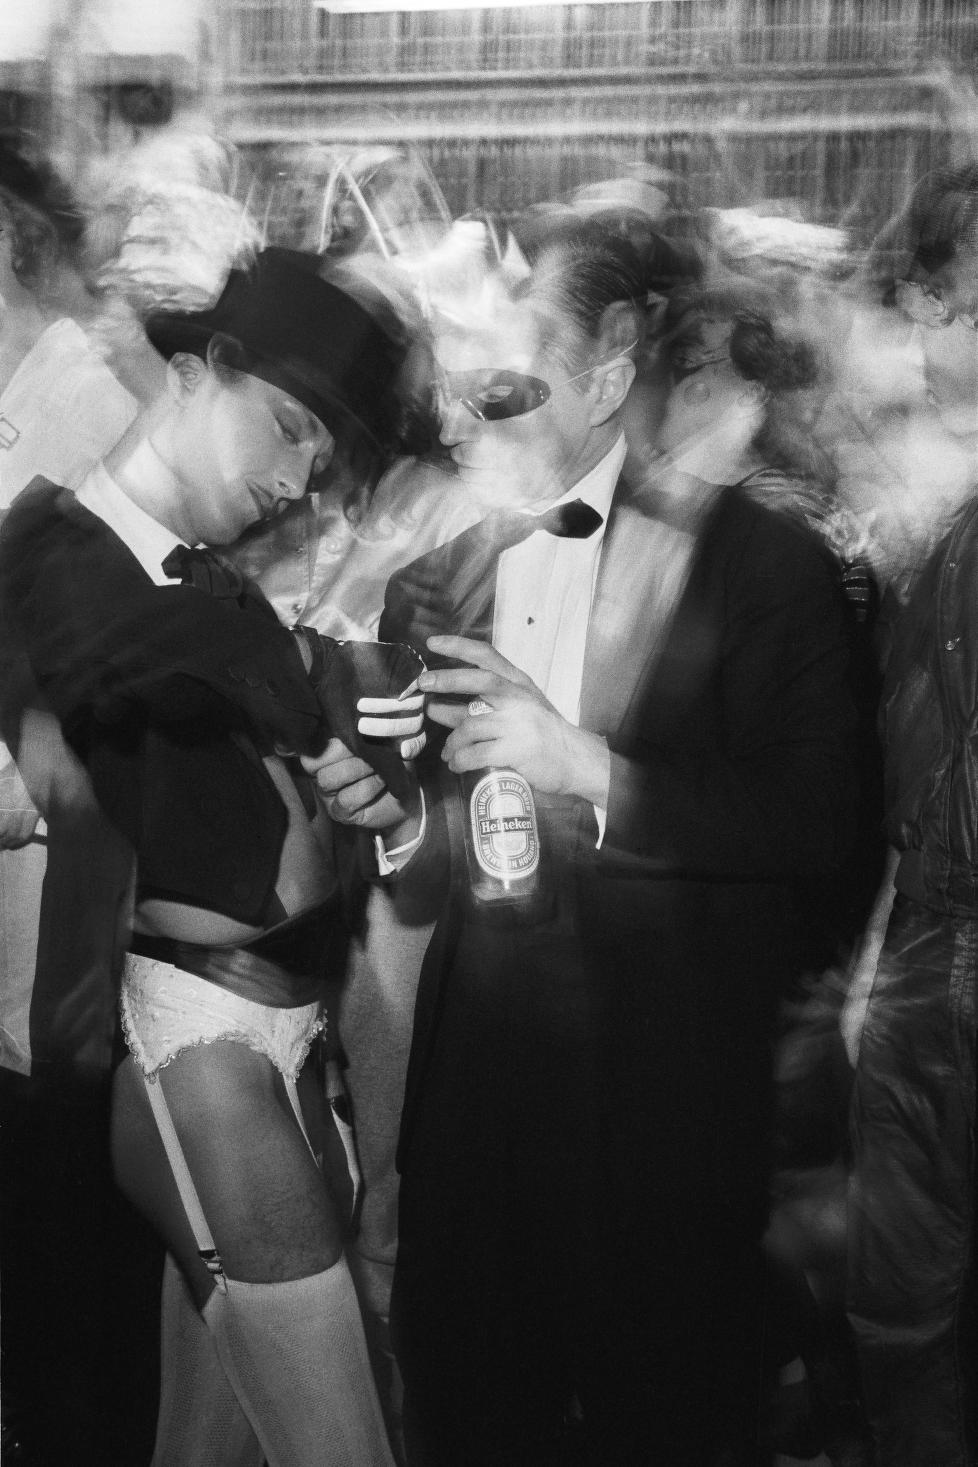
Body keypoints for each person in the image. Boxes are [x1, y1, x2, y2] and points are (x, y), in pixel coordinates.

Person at [369, 230, 856, 1466]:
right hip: (479, 1129)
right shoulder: (428, 586)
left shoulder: (765, 567)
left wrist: (587, 765)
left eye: (504, 384)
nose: (465, 419)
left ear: (605, 378)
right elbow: (428, 867)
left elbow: (818, 820)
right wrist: (386, 816)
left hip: (670, 1129)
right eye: (455, 387)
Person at [0, 247, 425, 1467]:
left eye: (321, 460)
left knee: (214, 1442)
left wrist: (371, 794)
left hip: (293, 1035)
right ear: (194, 374)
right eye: (287, 428)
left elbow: (301, 818)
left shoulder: (223, 591)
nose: (297, 481)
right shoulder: (38, 561)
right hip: (169, 1048)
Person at [845, 165, 978, 1467]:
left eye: (938, 306)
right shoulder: (943, 531)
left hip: (953, 969)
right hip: (932, 958)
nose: (918, 339)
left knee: (915, 1329)